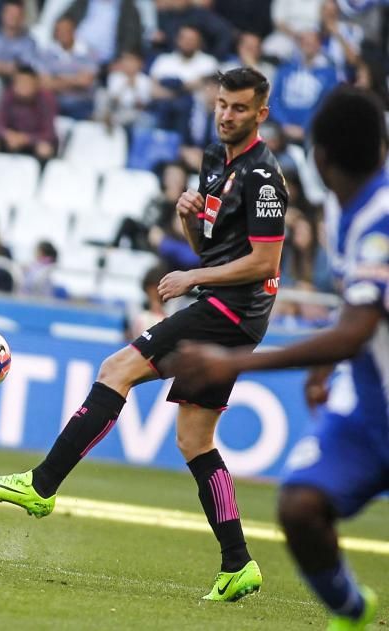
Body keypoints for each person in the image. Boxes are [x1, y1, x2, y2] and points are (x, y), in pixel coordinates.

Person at [0, 67, 286, 602]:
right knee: (194, 439)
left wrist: (193, 277)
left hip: (233, 311)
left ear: (261, 114)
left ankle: (42, 484)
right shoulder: (216, 161)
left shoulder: (263, 177)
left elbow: (265, 261)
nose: (226, 115)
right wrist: (188, 218)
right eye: (221, 104)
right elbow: (213, 248)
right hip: (224, 308)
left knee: (116, 369)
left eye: (238, 108)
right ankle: (238, 562)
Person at [170, 86, 385, 630]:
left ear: (319, 156)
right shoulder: (345, 212)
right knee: (299, 507)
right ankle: (353, 612)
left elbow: (356, 330)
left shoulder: (377, 217)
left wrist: (232, 363)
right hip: (370, 407)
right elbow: (358, 312)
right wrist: (322, 369)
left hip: (365, 392)